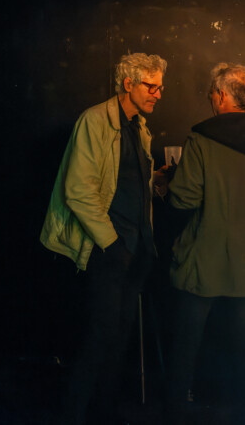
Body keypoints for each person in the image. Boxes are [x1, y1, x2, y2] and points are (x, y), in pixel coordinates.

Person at [40, 52, 169, 424]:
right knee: (100, 337)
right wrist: (111, 244)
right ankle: (74, 414)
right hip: (107, 247)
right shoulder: (95, 120)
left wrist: (159, 180)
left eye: (160, 87)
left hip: (135, 247)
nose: (158, 94)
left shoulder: (139, 126)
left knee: (119, 338)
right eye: (151, 86)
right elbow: (78, 190)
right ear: (129, 84)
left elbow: (126, 182)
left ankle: (104, 412)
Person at [164, 62, 245, 424]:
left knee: (186, 344)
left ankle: (175, 412)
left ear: (221, 95)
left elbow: (184, 198)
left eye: (212, 93)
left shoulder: (201, 139)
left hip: (206, 256)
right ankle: (244, 414)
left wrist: (168, 183)